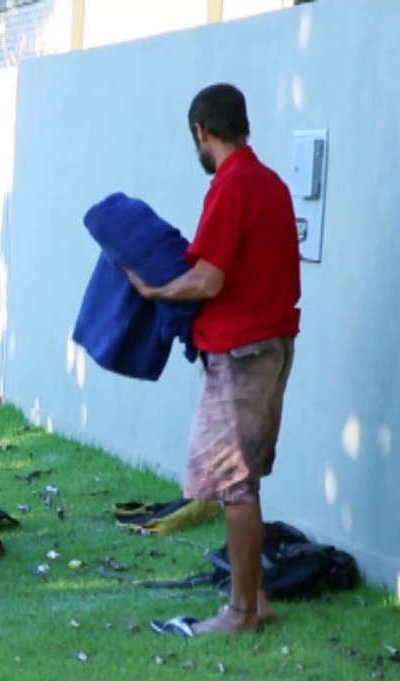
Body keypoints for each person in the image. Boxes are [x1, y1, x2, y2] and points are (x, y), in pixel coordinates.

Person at [126, 83, 301, 636]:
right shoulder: (271, 183)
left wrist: (153, 290)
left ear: (202, 131)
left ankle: (242, 614)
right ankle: (257, 599)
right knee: (244, 480)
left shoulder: (233, 185)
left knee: (235, 486)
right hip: (271, 345)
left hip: (241, 352)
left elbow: (208, 277)